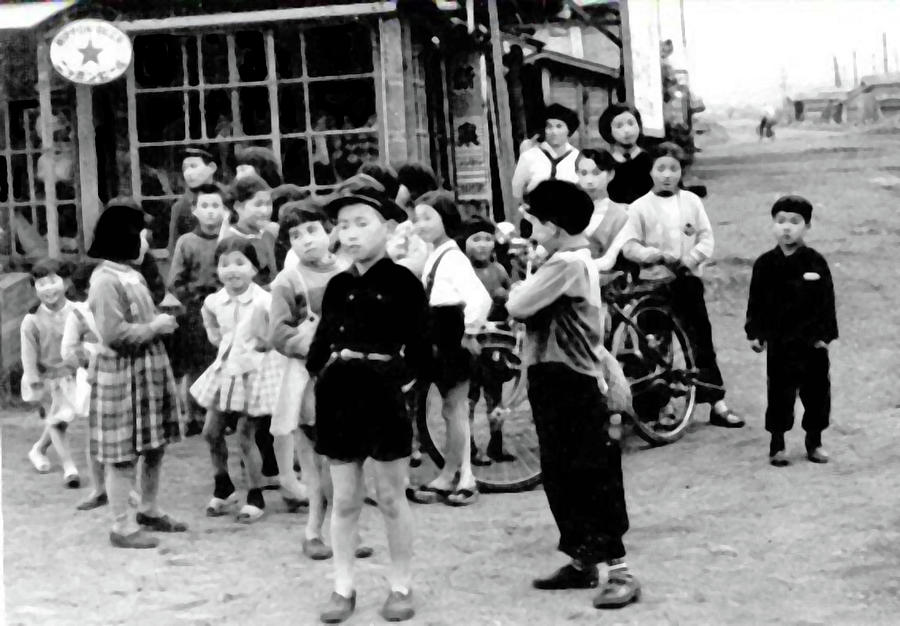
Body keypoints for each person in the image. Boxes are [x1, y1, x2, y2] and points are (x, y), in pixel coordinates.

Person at [507, 179, 641, 609]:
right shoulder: (562, 258)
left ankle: (620, 570)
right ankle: (582, 561)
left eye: (534, 220)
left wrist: (518, 287)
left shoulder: (565, 264)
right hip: (552, 379)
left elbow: (518, 305)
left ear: (554, 224)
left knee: (592, 475)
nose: (528, 226)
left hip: (574, 381)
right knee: (561, 474)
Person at [308, 184, 429, 623]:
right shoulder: (337, 285)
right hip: (339, 396)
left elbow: (420, 350)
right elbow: (320, 344)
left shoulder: (404, 282)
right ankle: (343, 587)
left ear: (389, 228)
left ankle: (400, 585)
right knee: (343, 500)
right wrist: (319, 373)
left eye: (363, 223)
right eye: (343, 225)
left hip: (383, 395)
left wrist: (395, 384)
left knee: (391, 497)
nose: (352, 234)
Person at [616, 142, 743, 428]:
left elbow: (706, 238)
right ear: (650, 171)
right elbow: (628, 245)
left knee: (700, 340)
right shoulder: (639, 207)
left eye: (673, 169)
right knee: (656, 346)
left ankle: (716, 401)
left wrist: (691, 258)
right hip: (652, 284)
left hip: (685, 281)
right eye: (660, 168)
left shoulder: (691, 202)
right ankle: (662, 407)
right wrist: (653, 256)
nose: (667, 175)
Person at [87, 198, 185, 549]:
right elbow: (114, 334)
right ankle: (121, 525)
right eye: (142, 235)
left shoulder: (132, 274)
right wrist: (155, 326)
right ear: (125, 238)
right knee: (122, 453)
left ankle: (148, 507)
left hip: (147, 369)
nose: (146, 243)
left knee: (154, 445)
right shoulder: (104, 281)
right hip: (123, 372)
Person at [408, 191, 491, 507]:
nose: (421, 225)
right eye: (418, 219)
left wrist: (469, 331)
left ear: (446, 218)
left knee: (456, 409)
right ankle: (451, 472)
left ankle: (462, 476)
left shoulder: (453, 257)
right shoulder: (435, 253)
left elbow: (479, 298)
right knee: (449, 409)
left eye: (428, 217)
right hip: (439, 332)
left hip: (452, 330)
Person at [190, 237, 282, 523]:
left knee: (245, 435)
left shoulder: (265, 301)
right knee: (211, 431)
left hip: (254, 372)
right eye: (224, 264)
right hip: (226, 370)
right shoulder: (215, 300)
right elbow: (208, 316)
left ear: (254, 269)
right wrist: (214, 336)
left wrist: (265, 343)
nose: (232, 270)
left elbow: (277, 331)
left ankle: (256, 495)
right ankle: (223, 486)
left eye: (240, 263)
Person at [269, 201, 348, 524]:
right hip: (308, 378)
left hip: (346, 374)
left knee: (346, 460)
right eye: (296, 235)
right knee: (315, 457)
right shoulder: (288, 281)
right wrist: (311, 346)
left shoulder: (347, 272)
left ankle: (344, 529)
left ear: (329, 230)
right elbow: (279, 332)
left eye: (313, 230)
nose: (306, 240)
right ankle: (314, 531)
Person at [745, 195, 837, 466]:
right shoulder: (764, 264)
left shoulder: (815, 262)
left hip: (811, 341)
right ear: (773, 225)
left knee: (817, 393)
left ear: (807, 226)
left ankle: (814, 440)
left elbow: (827, 301)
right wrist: (756, 333)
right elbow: (756, 302)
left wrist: (824, 335)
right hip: (779, 341)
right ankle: (777, 443)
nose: (787, 228)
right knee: (779, 393)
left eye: (795, 222)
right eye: (780, 221)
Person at [167, 183, 228, 436]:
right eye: (205, 206)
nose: (211, 212)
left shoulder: (229, 240)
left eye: (216, 206)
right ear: (195, 210)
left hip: (224, 306)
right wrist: (192, 299)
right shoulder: (187, 242)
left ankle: (221, 415)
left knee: (221, 360)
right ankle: (191, 415)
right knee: (195, 364)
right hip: (195, 308)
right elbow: (175, 281)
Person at [21, 258, 80, 487]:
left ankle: (38, 449)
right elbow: (28, 356)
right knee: (58, 420)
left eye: (53, 282)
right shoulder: (31, 320)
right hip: (46, 378)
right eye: (41, 284)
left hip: (72, 375)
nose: (48, 289)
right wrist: (35, 383)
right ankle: (69, 467)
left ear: (65, 283)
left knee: (62, 419)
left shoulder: (77, 311)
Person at [462, 215, 516, 465]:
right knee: (469, 398)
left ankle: (497, 443)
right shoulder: (462, 273)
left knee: (495, 396)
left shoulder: (499, 271)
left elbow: (513, 299)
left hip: (496, 342)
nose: (482, 245)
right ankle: (470, 447)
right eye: (476, 239)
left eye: (487, 239)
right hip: (471, 344)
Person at [61, 262, 108, 509]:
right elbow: (68, 350)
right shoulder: (79, 314)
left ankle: (125, 487)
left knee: (126, 436)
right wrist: (89, 359)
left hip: (121, 371)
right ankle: (99, 488)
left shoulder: (116, 305)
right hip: (92, 378)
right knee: (95, 436)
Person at [511, 103, 581, 205]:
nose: (554, 132)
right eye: (549, 127)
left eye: (559, 126)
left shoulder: (578, 158)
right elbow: (516, 191)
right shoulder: (529, 156)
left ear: (569, 129)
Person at [222, 174, 279, 287]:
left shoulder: (268, 234)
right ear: (238, 207)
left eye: (268, 204)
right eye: (258, 204)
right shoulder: (230, 240)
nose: (265, 211)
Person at [597, 104, 653, 206]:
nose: (627, 130)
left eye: (631, 123)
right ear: (609, 130)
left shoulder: (651, 159)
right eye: (619, 126)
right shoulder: (604, 163)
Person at [576, 148, 629, 259]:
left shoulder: (621, 216)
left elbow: (611, 259)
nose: (589, 180)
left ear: (610, 174)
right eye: (584, 173)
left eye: (596, 173)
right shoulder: (564, 209)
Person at [167, 147, 218, 255]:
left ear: (211, 168)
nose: (188, 173)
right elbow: (174, 248)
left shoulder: (225, 199)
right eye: (185, 168)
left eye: (193, 166)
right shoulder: (180, 207)